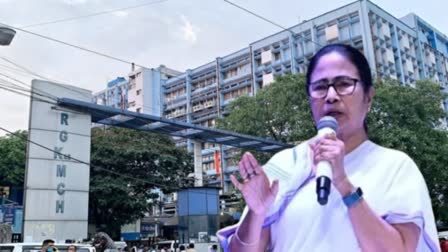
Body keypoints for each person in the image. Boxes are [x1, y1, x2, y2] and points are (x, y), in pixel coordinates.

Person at [217, 43, 440, 251]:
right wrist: (256, 213)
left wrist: (344, 185)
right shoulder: (282, 166)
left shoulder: (395, 166)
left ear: (369, 98)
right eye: (320, 87)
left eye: (344, 84)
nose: (331, 96)